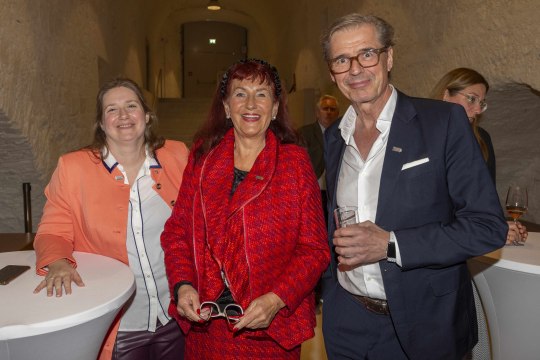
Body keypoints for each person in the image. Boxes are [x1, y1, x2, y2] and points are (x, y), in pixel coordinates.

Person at [320, 14, 507, 359]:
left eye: (367, 54)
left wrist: (390, 244)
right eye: (342, 60)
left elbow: (487, 227)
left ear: (388, 57)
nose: (356, 69)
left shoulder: (443, 122)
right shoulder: (335, 137)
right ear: (332, 73)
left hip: (424, 326)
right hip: (346, 322)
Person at [160, 59, 330, 359]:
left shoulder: (295, 164)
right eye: (240, 93)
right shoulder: (203, 159)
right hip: (207, 327)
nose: (251, 103)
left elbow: (315, 250)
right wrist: (183, 285)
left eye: (262, 94)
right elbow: (177, 232)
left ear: (275, 107)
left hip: (269, 329)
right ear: (226, 106)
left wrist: (276, 300)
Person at [33, 78, 189, 360]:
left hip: (176, 317)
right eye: (112, 110)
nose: (124, 116)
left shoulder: (177, 155)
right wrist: (57, 263)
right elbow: (52, 232)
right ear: (102, 123)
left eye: (131, 106)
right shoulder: (73, 168)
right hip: (120, 324)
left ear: (147, 115)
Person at [431, 67, 528, 245]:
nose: (477, 110)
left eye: (481, 103)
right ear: (446, 94)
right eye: (471, 99)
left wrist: (502, 226)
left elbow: (486, 198)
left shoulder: (482, 139)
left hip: (467, 237)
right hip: (433, 239)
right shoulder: (421, 135)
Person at [299, 94, 340, 219]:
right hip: (313, 190)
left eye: (332, 109)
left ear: (337, 113)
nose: (328, 113)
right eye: (325, 108)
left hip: (334, 192)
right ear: (317, 113)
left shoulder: (343, 134)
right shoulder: (304, 133)